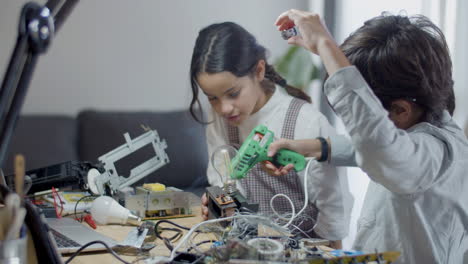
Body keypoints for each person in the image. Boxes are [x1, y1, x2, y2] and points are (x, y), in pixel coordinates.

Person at [270, 9, 468, 263]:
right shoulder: (429, 121)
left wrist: (325, 44)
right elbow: (375, 147)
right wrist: (312, 147)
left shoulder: (436, 155)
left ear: (400, 110)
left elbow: (378, 146)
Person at [189, 22, 353, 247]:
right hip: (250, 246)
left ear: (259, 71)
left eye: (233, 93)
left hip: (304, 248)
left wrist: (328, 248)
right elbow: (221, 176)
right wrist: (220, 203)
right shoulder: (221, 119)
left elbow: (333, 204)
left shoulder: (305, 122)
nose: (224, 108)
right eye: (212, 98)